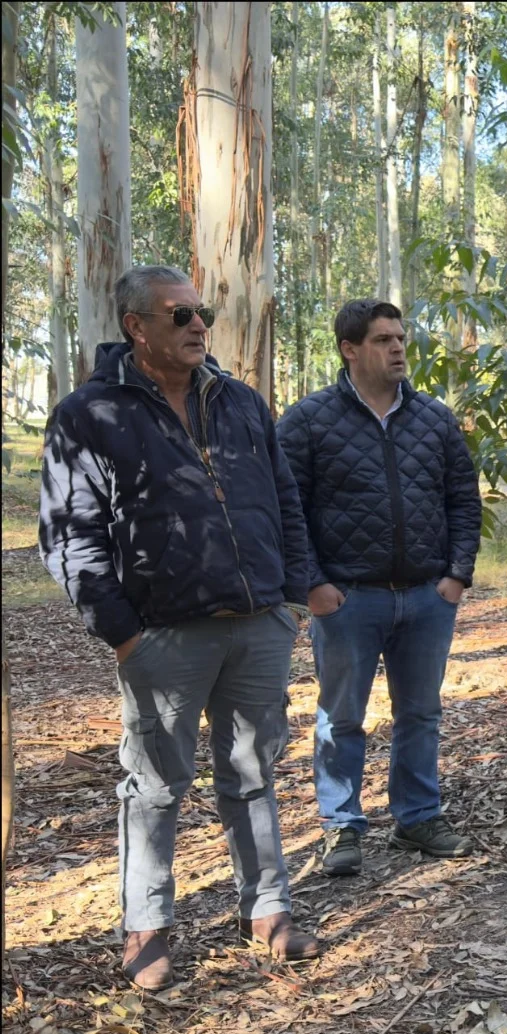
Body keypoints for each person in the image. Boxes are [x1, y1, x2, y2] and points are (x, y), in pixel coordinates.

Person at [39, 264, 321, 989]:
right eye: (180, 316)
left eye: (204, 313)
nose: (199, 326)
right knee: (157, 785)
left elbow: (284, 500)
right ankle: (146, 928)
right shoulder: (89, 414)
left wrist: (290, 599)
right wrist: (126, 634)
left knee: (255, 772)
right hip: (163, 635)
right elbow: (70, 537)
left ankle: (267, 909)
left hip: (258, 624)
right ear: (137, 327)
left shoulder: (240, 402)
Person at [277, 300, 483, 876]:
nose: (398, 349)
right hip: (348, 600)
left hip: (426, 597)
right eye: (384, 340)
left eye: (401, 339)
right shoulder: (310, 420)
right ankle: (341, 826)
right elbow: (285, 510)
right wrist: (313, 585)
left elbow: (464, 500)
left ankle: (418, 817)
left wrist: (455, 575)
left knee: (420, 713)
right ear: (349, 349)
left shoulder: (433, 418)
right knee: (341, 717)